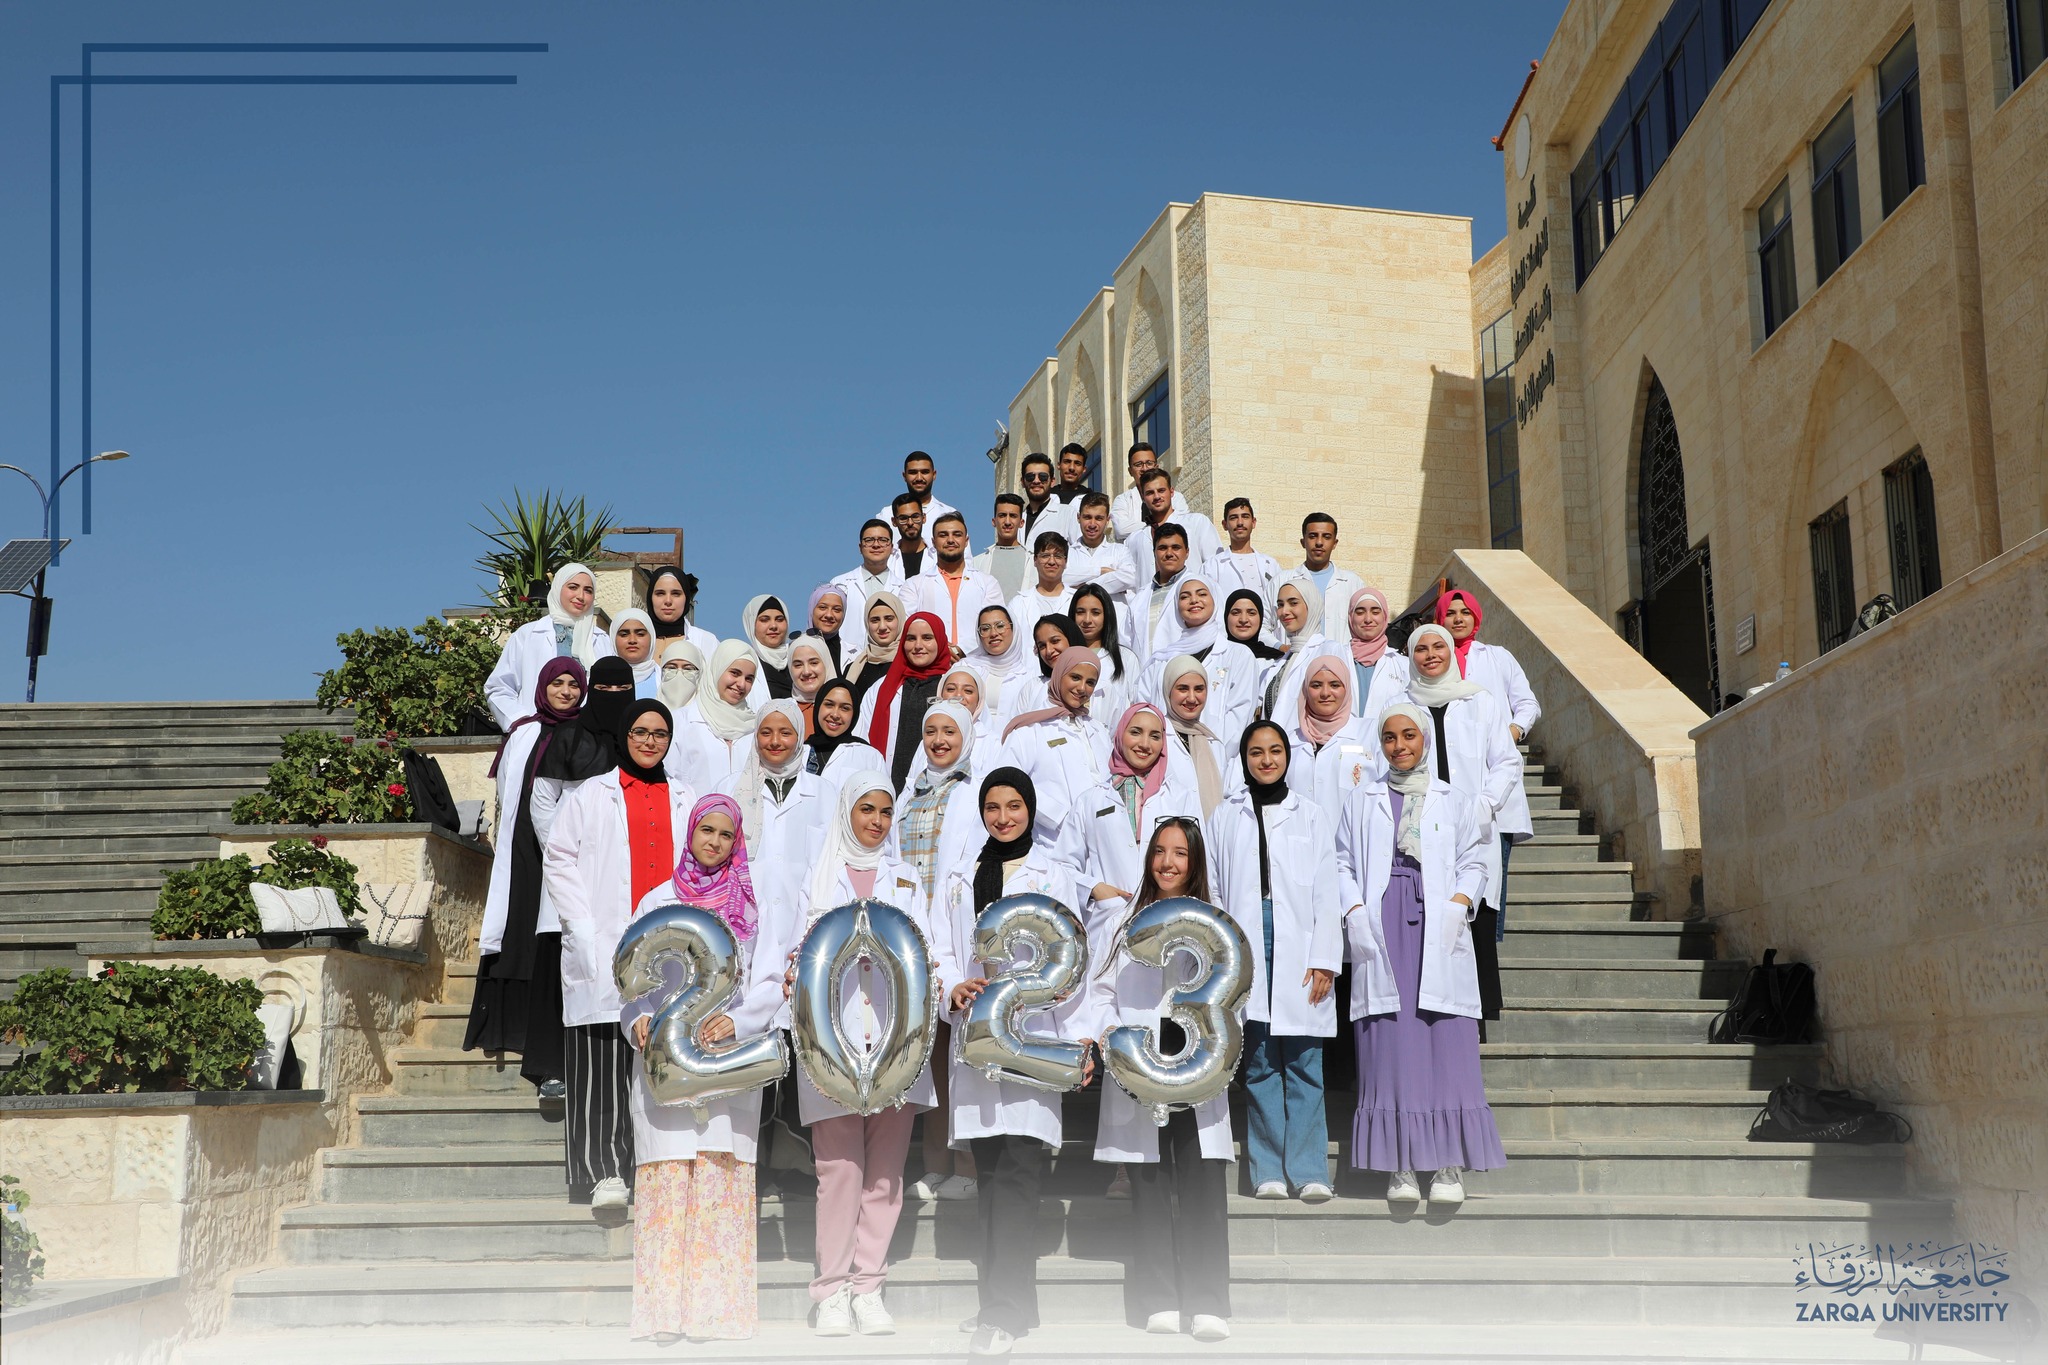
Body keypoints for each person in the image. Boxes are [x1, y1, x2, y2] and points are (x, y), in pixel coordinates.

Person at [756, 773, 936, 1337]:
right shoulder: (818, 877)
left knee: (884, 1176)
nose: (877, 822)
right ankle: (831, 1290)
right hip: (831, 1045)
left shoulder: (907, 878)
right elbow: (793, 951)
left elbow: (928, 951)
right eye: (866, 810)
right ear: (846, 813)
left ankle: (869, 1288)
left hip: (895, 1042)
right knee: (839, 1173)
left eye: (885, 812)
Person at [939, 769, 1100, 1359]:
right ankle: (1003, 1304)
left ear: (1030, 809)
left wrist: (1081, 1037)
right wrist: (951, 988)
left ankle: (1002, 1312)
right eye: (993, 807)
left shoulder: (1053, 874)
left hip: (1033, 1037)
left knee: (1019, 1171)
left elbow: (1079, 957)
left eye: (1014, 806)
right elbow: (941, 943)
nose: (1003, 817)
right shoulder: (962, 874)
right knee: (991, 1173)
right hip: (979, 1041)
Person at [1334, 703, 1506, 1208]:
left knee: (1446, 1039)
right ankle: (1401, 1164)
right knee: (1391, 1042)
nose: (1399, 746)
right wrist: (1355, 910)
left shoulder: (1453, 799)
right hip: (1382, 919)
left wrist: (1459, 902)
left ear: (1425, 739)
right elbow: (1341, 861)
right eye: (1389, 737)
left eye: (1409, 735)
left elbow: (1477, 858)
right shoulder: (1361, 799)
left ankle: (1448, 1163)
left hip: (1439, 920)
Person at [624, 794, 776, 1343]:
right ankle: (662, 1316)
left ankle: (716, 1314)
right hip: (666, 1063)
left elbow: (768, 980)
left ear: (737, 843)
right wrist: (638, 1019)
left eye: (725, 834)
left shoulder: (751, 908)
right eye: (706, 830)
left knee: (718, 1175)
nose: (714, 842)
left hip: (724, 1061)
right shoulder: (658, 900)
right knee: (667, 1179)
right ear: (689, 833)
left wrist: (739, 1019)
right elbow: (629, 978)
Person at [543, 697, 698, 1211]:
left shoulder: (686, 797)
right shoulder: (592, 793)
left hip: (669, 946)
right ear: (624, 736)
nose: (650, 741)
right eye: (640, 731)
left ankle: (652, 1169)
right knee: (601, 1061)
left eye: (660, 733)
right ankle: (603, 1173)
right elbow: (559, 857)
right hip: (605, 939)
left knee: (659, 1061)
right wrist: (582, 926)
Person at [1082, 817, 1233, 1342]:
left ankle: (1209, 1302)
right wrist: (1112, 1038)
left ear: (1195, 862)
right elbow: (1099, 991)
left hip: (1197, 1058)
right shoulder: (1123, 920)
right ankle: (1158, 1298)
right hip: (1141, 1058)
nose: (1168, 863)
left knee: (1202, 1179)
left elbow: (1235, 990)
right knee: (1148, 1183)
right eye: (1160, 852)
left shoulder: (1216, 922)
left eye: (1180, 853)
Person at [1209, 720, 1340, 1202]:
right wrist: (1223, 957)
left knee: (1304, 1061)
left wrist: (1325, 959)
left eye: (1275, 751)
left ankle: (1309, 1171)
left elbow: (1327, 891)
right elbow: (1216, 888)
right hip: (1245, 939)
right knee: (1260, 1061)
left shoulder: (1311, 815)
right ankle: (1267, 1170)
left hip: (1301, 944)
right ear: (1244, 760)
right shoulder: (1225, 815)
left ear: (1287, 756)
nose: (1266, 760)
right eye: (1256, 752)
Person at [1403, 625, 1531, 1029]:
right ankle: (1431, 1021)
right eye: (1421, 648)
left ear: (1450, 652)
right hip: (1421, 827)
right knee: (1429, 921)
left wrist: (1485, 804)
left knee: (1473, 915)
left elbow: (1506, 760)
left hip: (1474, 827)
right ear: (1411, 656)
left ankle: (1473, 1024)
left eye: (1438, 646)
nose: (1430, 655)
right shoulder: (1400, 703)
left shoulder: (1479, 700)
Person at [467, 658, 585, 1096]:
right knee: (521, 928)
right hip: (525, 846)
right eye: (558, 683)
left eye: (574, 684)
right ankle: (514, 1028)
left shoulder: (586, 734)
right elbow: (509, 792)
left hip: (568, 848)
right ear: (542, 687)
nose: (566, 691)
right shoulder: (523, 732)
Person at [715, 700, 831, 959]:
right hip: (741, 923)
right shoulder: (729, 789)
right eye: (766, 732)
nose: (775, 741)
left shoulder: (825, 793)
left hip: (805, 926)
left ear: (799, 737)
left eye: (785, 732)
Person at [1078, 702, 1201, 898]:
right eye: (1135, 732)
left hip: (1166, 909)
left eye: (1155, 736)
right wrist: (1093, 888)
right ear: (1120, 735)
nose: (1145, 744)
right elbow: (1064, 864)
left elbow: (1199, 859)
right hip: (1111, 911)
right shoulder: (1090, 800)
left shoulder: (1180, 796)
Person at [996, 646, 1109, 859]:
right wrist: (1059, 816)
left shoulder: (1098, 730)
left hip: (1101, 841)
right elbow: (1008, 782)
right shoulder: (1029, 731)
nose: (1082, 688)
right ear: (1058, 675)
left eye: (1090, 682)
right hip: (1051, 843)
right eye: (1075, 677)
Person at [485, 562, 613, 730]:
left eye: (588, 590)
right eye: (573, 587)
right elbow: (498, 687)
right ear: (558, 588)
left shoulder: (602, 640)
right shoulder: (527, 635)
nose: (581, 596)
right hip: (536, 733)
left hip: (587, 735)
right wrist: (520, 722)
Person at [1139, 570, 1260, 738]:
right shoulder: (1160, 660)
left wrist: (1211, 750)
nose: (1194, 600)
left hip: (1217, 750)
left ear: (1215, 599)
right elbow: (1144, 709)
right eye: (1184, 597)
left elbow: (1240, 715)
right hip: (1167, 750)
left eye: (1202, 594)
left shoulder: (1238, 655)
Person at [1284, 645, 1381, 828]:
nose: (1325, 693)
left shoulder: (1370, 733)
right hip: (1299, 838)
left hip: (1351, 841)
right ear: (1305, 690)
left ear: (1347, 688)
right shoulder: (1289, 742)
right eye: (1316, 685)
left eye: (1335, 685)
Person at [855, 611, 953, 790]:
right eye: (911, 638)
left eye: (927, 638)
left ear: (940, 640)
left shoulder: (953, 686)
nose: (918, 645)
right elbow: (863, 738)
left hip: (940, 787)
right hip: (885, 785)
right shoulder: (882, 688)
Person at [1435, 589, 1540, 742]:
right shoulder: (1432, 661)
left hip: (1495, 748)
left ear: (1475, 617)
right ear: (1440, 619)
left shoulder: (1498, 656)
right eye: (1450, 613)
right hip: (1450, 746)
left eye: (1466, 612)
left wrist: (1512, 733)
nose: (1458, 619)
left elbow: (1527, 703)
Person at [903, 512, 1004, 655]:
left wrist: (960, 649)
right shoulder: (913, 585)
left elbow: (996, 624)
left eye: (957, 534)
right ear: (933, 542)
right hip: (929, 660)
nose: (950, 540)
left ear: (966, 540)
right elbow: (907, 626)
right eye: (943, 535)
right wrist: (941, 649)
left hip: (977, 660)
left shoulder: (988, 583)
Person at [669, 641, 758, 790]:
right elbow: (672, 780)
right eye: (735, 673)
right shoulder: (680, 721)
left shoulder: (755, 726)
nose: (741, 684)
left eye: (749, 678)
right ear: (717, 669)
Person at [1157, 655, 1236, 814]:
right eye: (1183, 689)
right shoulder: (1157, 737)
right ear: (1168, 691)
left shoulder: (1213, 742)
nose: (1192, 698)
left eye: (1199, 689)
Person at [1123, 470, 1221, 592]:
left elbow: (1215, 568)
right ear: (1142, 497)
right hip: (1151, 601)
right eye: (1150, 493)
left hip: (1191, 599)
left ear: (1171, 491)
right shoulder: (1133, 539)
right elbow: (1130, 584)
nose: (1157, 497)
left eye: (1161, 490)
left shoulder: (1196, 523)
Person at [1208, 498, 1284, 642]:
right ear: (1225, 524)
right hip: (1226, 641)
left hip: (1267, 641)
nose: (1240, 522)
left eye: (1245, 517)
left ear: (1253, 522)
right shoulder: (1212, 566)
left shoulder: (1270, 565)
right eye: (1233, 518)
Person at [1067, 582, 1141, 723]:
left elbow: (1136, 705)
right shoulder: (1064, 656)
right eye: (1080, 612)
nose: (1087, 620)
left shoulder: (1126, 658)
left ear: (1107, 615)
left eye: (1095, 613)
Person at [1261, 573, 1330, 723]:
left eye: (1293, 603)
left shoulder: (1329, 652)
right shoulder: (1282, 661)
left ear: (1311, 605)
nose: (1284, 611)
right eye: (1280, 605)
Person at [830, 521, 906, 656]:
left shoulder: (904, 588)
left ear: (891, 547)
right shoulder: (839, 584)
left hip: (890, 659)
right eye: (869, 540)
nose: (876, 545)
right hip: (846, 659)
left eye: (883, 540)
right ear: (860, 547)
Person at [1125, 523, 1198, 656]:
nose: (1169, 553)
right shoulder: (1140, 597)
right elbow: (1126, 642)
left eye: (1176, 547)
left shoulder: (1202, 589)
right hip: (1144, 667)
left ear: (1187, 552)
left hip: (1185, 666)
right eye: (1162, 548)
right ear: (1154, 553)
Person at [803, 677, 886, 791]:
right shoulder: (799, 752)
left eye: (845, 708)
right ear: (818, 706)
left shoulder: (870, 757)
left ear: (854, 714)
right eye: (829, 705)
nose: (835, 715)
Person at [1298, 513, 1367, 642]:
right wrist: (1280, 646)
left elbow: (1365, 624)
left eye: (1326, 537)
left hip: (1341, 654)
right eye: (1313, 536)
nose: (1319, 542)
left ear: (1334, 543)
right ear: (1303, 542)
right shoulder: (1282, 581)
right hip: (1297, 653)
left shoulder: (1353, 583)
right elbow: (1265, 625)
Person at [1064, 491, 1137, 611]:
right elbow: (1061, 579)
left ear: (1107, 520)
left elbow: (1129, 577)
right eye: (1087, 517)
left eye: (1099, 518)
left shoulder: (1120, 551)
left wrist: (1082, 587)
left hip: (1115, 619)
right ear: (1078, 518)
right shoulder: (1067, 553)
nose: (1092, 524)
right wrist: (1101, 571)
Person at [1346, 586, 1410, 720]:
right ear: (1351, 617)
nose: (1368, 619)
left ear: (1385, 616)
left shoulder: (1404, 665)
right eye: (1360, 612)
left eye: (1375, 612)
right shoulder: (1337, 658)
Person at [874, 450, 959, 548]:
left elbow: (965, 556)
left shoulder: (949, 514)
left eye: (925, 472)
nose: (919, 478)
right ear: (904, 476)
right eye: (913, 472)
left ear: (934, 474)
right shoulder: (886, 515)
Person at [1223, 588, 1289, 709]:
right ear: (1226, 617)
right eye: (1236, 613)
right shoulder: (1216, 657)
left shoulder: (1277, 661)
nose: (1243, 619)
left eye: (1251, 613)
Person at [1108, 443, 1187, 542]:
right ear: (1130, 471)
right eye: (1138, 464)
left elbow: (1182, 522)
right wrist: (1156, 523)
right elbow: (1121, 530)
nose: (1144, 469)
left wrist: (1142, 525)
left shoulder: (1176, 497)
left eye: (1149, 463)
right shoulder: (1122, 500)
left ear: (1156, 466)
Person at [1006, 531, 1073, 643]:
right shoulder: (1018, 604)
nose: (1051, 562)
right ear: (1035, 560)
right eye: (1045, 556)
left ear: (1065, 561)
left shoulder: (1076, 600)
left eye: (1058, 556)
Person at [842, 591, 906, 709]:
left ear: (900, 619)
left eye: (889, 619)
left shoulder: (911, 665)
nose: (882, 627)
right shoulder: (854, 669)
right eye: (875, 620)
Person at [645, 566, 718, 658]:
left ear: (686, 598)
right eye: (660, 593)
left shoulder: (706, 642)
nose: (668, 601)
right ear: (650, 598)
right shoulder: (633, 642)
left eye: (676, 594)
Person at [963, 604, 1032, 697]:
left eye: (1000, 626)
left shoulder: (1029, 676)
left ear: (1014, 629)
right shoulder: (965, 668)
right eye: (985, 629)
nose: (993, 633)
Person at [971, 493, 1031, 600]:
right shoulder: (977, 563)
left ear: (1021, 523)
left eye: (1013, 516)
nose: (1007, 522)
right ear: (994, 522)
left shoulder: (1033, 562)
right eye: (1002, 515)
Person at [738, 596, 795, 704]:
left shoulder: (798, 659)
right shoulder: (746, 663)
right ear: (751, 624)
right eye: (764, 620)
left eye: (779, 619)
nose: (773, 626)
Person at [1013, 453, 1070, 546]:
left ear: (1052, 481)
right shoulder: (1016, 519)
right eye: (1030, 477)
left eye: (1043, 477)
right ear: (1022, 482)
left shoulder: (1068, 514)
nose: (1036, 481)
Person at [788, 638, 837, 736]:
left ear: (826, 664)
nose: (806, 672)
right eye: (798, 665)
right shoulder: (783, 712)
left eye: (814, 663)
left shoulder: (845, 709)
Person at [609, 610, 659, 699]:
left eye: (640, 634)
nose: (632, 640)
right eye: (624, 634)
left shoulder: (664, 680)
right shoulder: (599, 680)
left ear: (652, 638)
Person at [803, 583, 850, 672]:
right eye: (823, 607)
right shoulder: (792, 651)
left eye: (836, 609)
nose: (829, 615)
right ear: (812, 609)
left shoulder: (856, 655)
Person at [656, 639, 705, 713]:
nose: (679, 675)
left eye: (688, 669)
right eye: (671, 668)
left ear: (700, 673)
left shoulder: (707, 716)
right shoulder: (648, 713)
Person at [889, 492, 929, 580]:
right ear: (894, 522)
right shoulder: (888, 560)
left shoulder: (937, 556)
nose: (910, 523)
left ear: (923, 518)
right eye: (903, 518)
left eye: (915, 517)